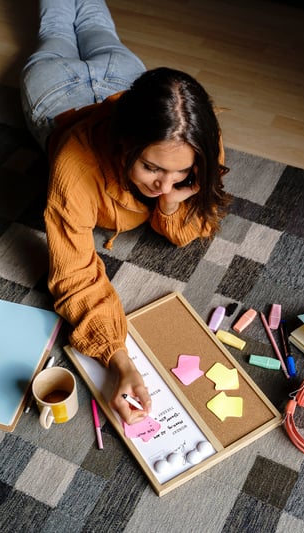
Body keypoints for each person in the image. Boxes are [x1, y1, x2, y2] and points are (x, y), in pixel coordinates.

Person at [21, 0, 230, 425]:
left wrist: (170, 202)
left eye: (180, 174)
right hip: (55, 92)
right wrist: (119, 360)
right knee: (56, 27)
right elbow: (73, 274)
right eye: (151, 168)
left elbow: (197, 221)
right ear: (124, 147)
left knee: (97, 21)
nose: (165, 185)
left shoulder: (196, 139)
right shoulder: (75, 167)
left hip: (123, 77)